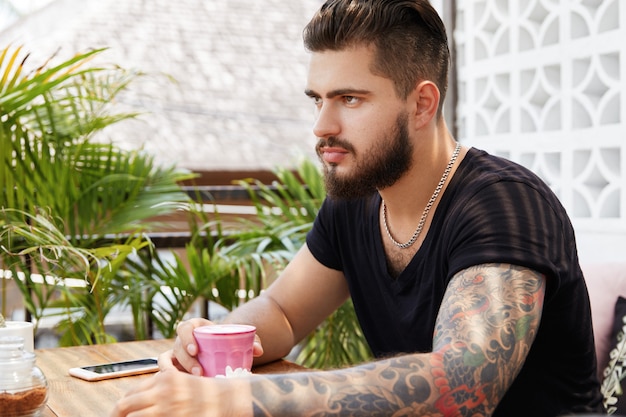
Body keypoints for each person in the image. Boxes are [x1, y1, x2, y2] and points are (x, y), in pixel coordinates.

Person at [111, 1, 604, 416]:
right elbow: (282, 313)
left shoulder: (504, 203)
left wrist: (239, 398)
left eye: (349, 98)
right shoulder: (357, 200)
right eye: (318, 100)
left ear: (422, 104)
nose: (322, 125)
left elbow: (464, 386)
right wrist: (214, 339)